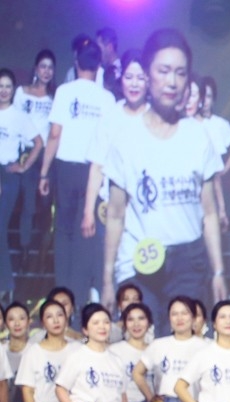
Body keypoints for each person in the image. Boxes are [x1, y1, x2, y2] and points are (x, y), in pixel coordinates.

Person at [100, 28, 225, 332]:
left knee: (181, 350)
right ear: (147, 74)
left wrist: (218, 271)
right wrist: (107, 278)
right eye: (164, 70)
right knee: (143, 350)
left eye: (180, 73)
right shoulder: (126, 140)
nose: (172, 81)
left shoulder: (198, 137)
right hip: (138, 262)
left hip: (188, 263)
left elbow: (209, 213)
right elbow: (115, 215)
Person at [38, 38, 116, 306]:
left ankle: (63, 295)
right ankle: (81, 298)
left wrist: (44, 172)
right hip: (94, 171)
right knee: (87, 232)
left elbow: (54, 134)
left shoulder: (64, 91)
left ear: (76, 62)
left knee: (64, 231)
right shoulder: (107, 98)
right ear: (98, 66)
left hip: (66, 168)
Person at [80, 49, 149, 309]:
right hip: (111, 211)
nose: (134, 83)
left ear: (149, 81)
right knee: (110, 273)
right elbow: (97, 165)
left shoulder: (156, 118)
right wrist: (88, 210)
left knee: (143, 276)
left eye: (140, 78)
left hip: (146, 211)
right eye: (129, 77)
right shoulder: (110, 117)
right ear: (121, 80)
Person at [0, 68, 44, 304]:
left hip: (8, 175)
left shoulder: (18, 116)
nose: (4, 90)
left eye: (8, 86)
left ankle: (6, 285)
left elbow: (38, 142)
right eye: (0, 86)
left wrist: (24, 166)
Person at [13, 50, 56, 270]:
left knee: (46, 207)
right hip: (28, 152)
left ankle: (42, 253)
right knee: (28, 204)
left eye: (50, 67)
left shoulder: (55, 97)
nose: (46, 71)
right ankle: (25, 251)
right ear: (36, 68)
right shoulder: (22, 92)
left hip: (47, 156)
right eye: (43, 66)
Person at [200, 76, 230, 233]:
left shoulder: (220, 124)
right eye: (203, 96)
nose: (205, 101)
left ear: (213, 100)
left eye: (209, 97)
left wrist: (226, 167)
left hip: (214, 185)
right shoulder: (190, 123)